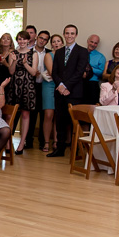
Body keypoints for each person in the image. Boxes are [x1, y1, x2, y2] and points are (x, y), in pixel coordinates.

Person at [48, 25, 90, 158]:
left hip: (74, 92)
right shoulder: (59, 52)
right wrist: (60, 85)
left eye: (72, 33)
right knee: (60, 122)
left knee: (74, 123)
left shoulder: (82, 51)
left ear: (76, 35)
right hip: (59, 92)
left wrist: (66, 86)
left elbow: (79, 72)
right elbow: (54, 72)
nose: (69, 36)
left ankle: (76, 150)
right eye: (67, 33)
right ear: (64, 34)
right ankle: (59, 149)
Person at [9, 30, 39, 155]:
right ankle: (7, 142)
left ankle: (22, 143)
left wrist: (25, 63)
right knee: (11, 114)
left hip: (28, 86)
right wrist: (15, 61)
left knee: (26, 115)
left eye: (24, 39)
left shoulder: (34, 53)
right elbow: (11, 71)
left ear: (28, 40)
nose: (22, 41)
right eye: (19, 39)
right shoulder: (13, 53)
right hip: (15, 85)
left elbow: (33, 72)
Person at [40, 34, 62, 152]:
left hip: (61, 86)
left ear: (62, 43)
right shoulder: (49, 55)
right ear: (51, 44)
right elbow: (52, 71)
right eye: (54, 42)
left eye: (58, 41)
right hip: (49, 85)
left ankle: (56, 141)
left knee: (58, 115)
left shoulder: (66, 56)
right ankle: (46, 142)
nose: (56, 43)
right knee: (49, 115)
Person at [83, 34, 104, 105]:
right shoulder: (80, 53)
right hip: (79, 83)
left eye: (95, 43)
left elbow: (102, 73)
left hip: (92, 85)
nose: (93, 44)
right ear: (87, 41)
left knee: (92, 108)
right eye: (91, 42)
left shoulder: (100, 57)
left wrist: (91, 69)